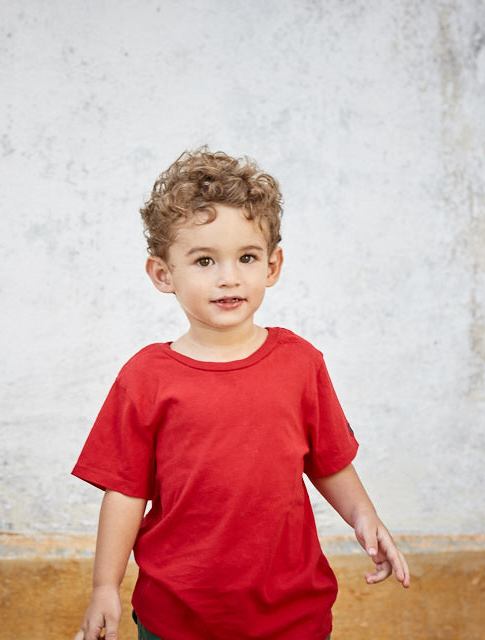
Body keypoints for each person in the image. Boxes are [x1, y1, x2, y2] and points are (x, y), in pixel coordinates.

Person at [72, 148, 410, 640]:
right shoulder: (145, 377)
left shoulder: (300, 363)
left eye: (246, 257)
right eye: (204, 260)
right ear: (163, 274)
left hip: (290, 612)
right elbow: (125, 491)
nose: (229, 276)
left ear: (272, 266)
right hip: (178, 614)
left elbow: (329, 459)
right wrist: (105, 585)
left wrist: (365, 517)